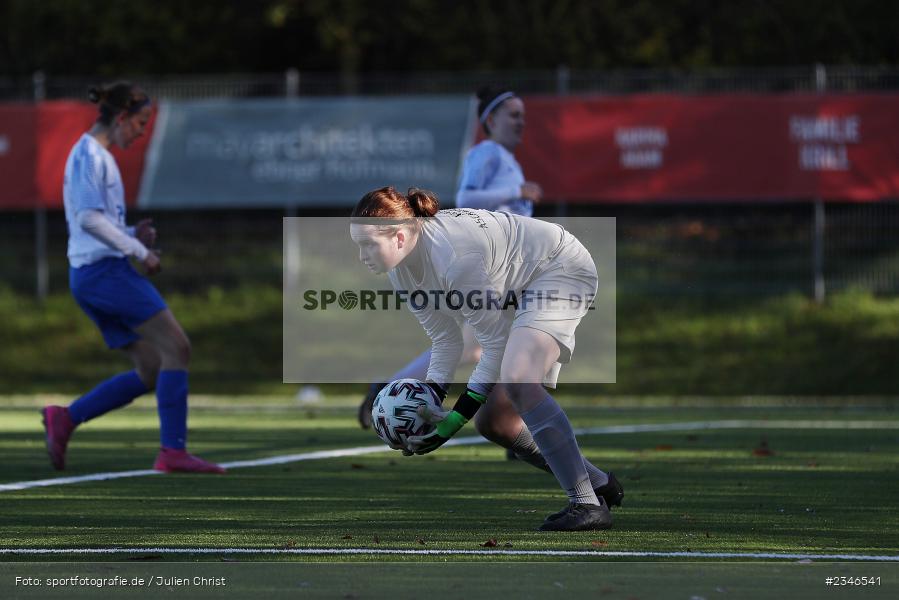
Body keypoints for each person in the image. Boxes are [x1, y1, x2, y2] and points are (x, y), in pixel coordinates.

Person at [350, 186, 619, 531]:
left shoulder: (454, 258)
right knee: (496, 424)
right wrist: (430, 399)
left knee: (519, 378)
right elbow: (446, 339)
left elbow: (492, 345)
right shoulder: (399, 270)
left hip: (559, 269)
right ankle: (598, 484)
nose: (361, 255)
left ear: (400, 237)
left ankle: (586, 504)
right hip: (514, 287)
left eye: (367, 244)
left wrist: (452, 421)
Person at [41, 81, 225, 475]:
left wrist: (130, 236)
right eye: (140, 122)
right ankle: (172, 452)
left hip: (93, 274)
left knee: (152, 367)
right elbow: (89, 218)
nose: (143, 131)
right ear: (121, 117)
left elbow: (93, 220)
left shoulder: (94, 154)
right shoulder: (91, 155)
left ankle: (66, 419)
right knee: (177, 348)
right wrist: (140, 252)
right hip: (105, 274)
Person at [356, 86, 543, 428]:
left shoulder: (506, 160)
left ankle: (519, 426)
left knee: (510, 345)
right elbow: (465, 196)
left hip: (510, 268)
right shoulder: (487, 153)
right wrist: (516, 192)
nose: (521, 121)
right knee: (485, 347)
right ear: (491, 120)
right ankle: (389, 389)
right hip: (490, 266)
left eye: (523, 116)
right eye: (513, 115)